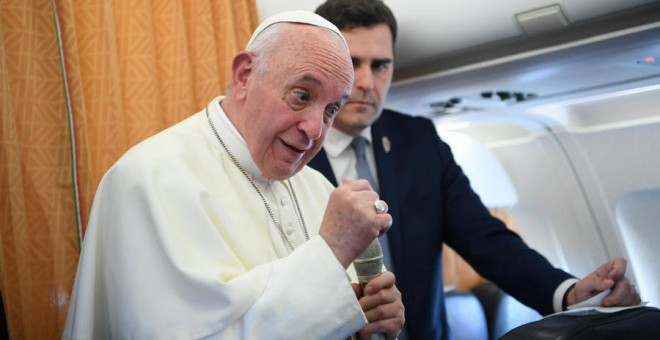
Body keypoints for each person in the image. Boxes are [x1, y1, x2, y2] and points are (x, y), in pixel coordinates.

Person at [308, 1, 642, 339]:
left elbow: (486, 239)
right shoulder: (292, 151)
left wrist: (568, 292)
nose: (367, 81)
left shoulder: (418, 141)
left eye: (381, 65)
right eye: (352, 64)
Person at [62, 10, 405, 339]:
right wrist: (332, 249)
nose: (316, 129)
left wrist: (367, 318)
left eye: (332, 109)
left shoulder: (317, 187)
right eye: (302, 95)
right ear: (244, 75)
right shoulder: (147, 179)